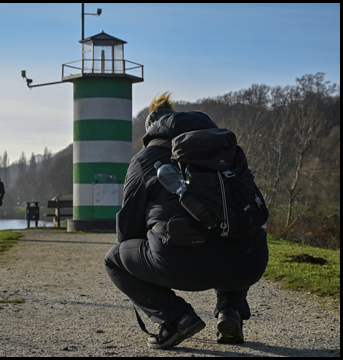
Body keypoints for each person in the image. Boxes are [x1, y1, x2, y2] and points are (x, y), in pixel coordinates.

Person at [104, 92, 269, 350]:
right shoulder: (228, 153)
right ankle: (231, 311)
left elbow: (128, 227)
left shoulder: (146, 158)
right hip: (249, 262)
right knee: (236, 229)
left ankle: (175, 318)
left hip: (180, 263)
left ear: (153, 128)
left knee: (114, 260)